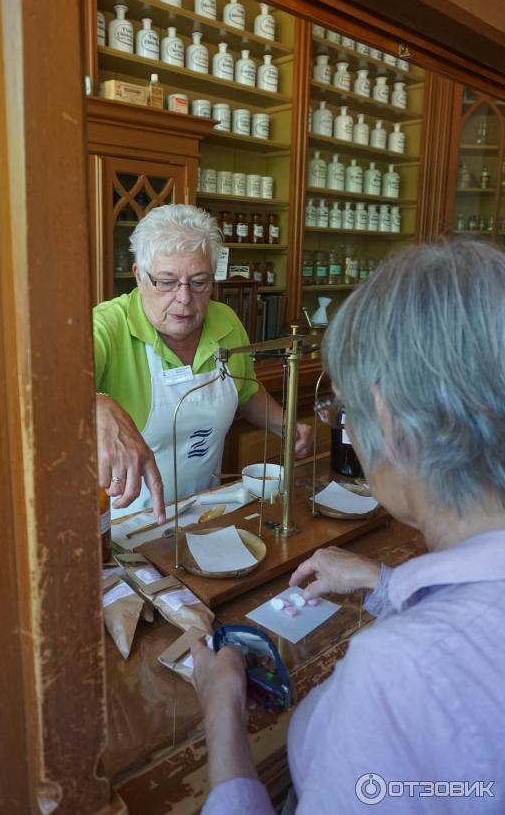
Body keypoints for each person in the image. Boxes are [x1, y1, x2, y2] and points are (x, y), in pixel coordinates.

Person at [192, 239, 505, 813]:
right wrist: (384, 583)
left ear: (386, 418)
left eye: (345, 410)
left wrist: (221, 714)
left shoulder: (399, 674)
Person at [93, 205, 311, 522]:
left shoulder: (225, 322)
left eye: (199, 282)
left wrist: (285, 425)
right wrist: (96, 404)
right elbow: (43, 387)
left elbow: (246, 391)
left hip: (206, 512)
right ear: (139, 275)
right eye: (166, 282)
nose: (184, 298)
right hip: (123, 527)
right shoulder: (107, 326)